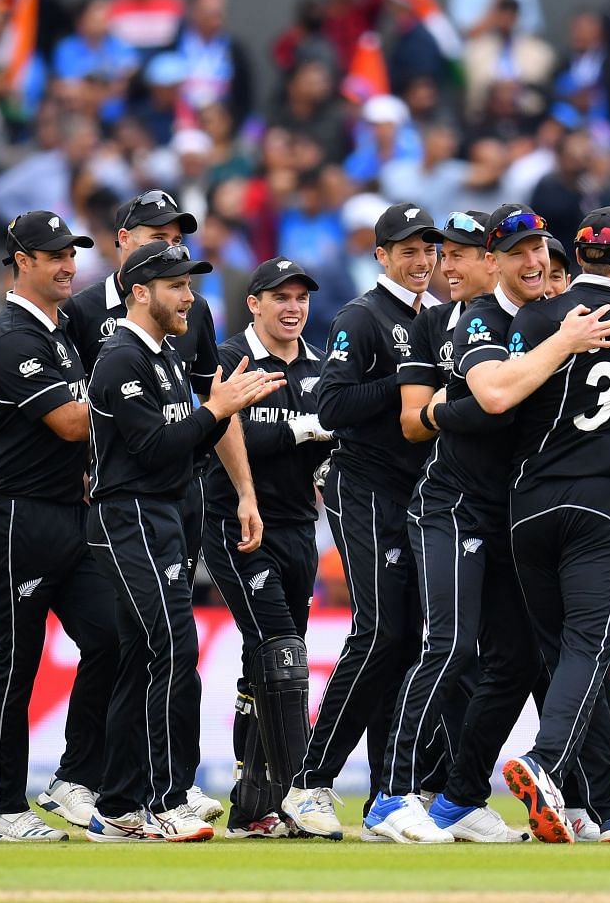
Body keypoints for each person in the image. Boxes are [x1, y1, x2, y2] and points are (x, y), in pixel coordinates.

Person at [62, 189, 260, 826]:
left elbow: (189, 438)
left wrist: (217, 414)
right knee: (168, 649)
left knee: (151, 654)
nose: (189, 296)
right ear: (140, 292)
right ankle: (159, 799)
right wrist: (218, 410)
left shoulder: (166, 356)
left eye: (189, 282)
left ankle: (120, 804)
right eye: (176, 285)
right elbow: (151, 448)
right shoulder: (120, 357)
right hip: (133, 514)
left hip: (168, 514)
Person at [369, 205, 564, 845]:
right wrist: (470, 405)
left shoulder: (540, 319)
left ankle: (458, 799)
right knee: (449, 645)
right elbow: (483, 405)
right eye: (516, 253)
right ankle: (390, 798)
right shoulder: (481, 321)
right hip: (453, 507)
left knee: (515, 658)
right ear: (494, 262)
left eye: (539, 251)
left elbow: (485, 409)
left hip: (510, 512)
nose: (533, 262)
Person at [481, 206, 610, 844]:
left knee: (565, 660)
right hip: (599, 503)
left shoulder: (533, 316)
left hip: (527, 505)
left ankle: (602, 807)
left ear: (575, 257)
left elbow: (504, 401)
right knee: (588, 651)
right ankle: (547, 763)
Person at [280, 203, 445, 838]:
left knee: (407, 642)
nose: (421, 259)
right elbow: (332, 403)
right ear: (380, 256)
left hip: (417, 492)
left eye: (427, 248)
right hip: (366, 485)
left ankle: (389, 794)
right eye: (406, 249)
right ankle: (310, 784)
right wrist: (406, 380)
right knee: (380, 632)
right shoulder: (361, 315)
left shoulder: (435, 318)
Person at [0, 210, 120, 843]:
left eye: (72, 253)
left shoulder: (58, 335)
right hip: (14, 515)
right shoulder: (10, 339)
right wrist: (138, 398)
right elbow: (73, 423)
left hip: (67, 512)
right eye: (52, 254)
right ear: (20, 261)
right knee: (17, 661)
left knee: (114, 638)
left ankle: (73, 779)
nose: (67, 264)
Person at [201, 258, 332, 839]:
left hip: (299, 529)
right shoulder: (229, 360)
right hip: (236, 525)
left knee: (270, 663)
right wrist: (304, 431)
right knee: (280, 650)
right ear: (253, 303)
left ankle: (254, 805)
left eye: (301, 298)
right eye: (280, 297)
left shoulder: (318, 367)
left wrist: (326, 458)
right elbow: (224, 432)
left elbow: (328, 449)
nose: (292, 307)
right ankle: (301, 791)